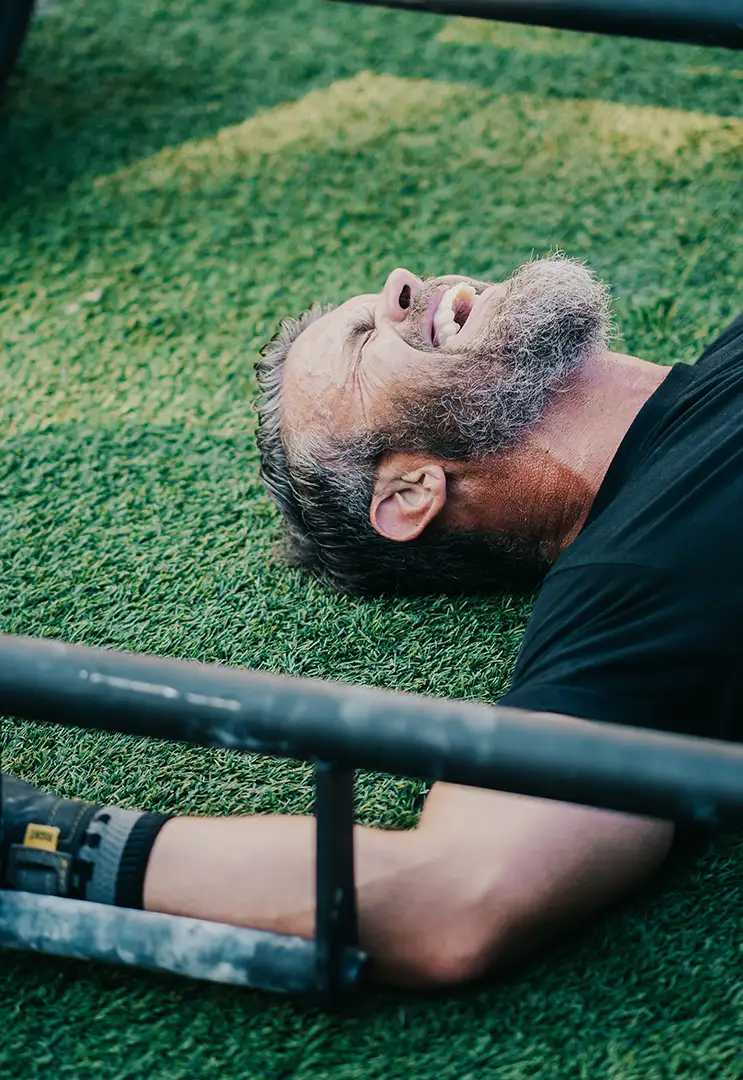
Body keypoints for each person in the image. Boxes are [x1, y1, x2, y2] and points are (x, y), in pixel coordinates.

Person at [3, 254, 743, 989]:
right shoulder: (625, 584)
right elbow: (455, 890)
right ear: (411, 491)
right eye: (364, 341)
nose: (400, 282)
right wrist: (39, 838)